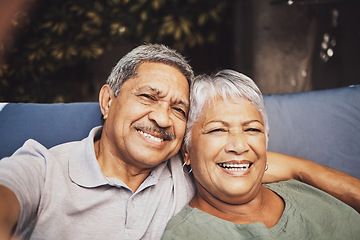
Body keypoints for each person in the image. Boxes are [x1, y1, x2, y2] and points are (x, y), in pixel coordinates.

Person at [0, 44, 359, 240]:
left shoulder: (187, 168)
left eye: (178, 108)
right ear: (108, 101)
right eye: (148, 97)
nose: (161, 117)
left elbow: (271, 163)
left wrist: (308, 171)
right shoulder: (43, 167)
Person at [161, 70, 360, 240]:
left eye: (252, 130)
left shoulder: (306, 191)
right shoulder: (186, 235)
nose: (239, 145)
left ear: (266, 141)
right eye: (217, 130)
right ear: (187, 151)